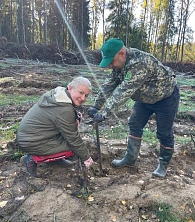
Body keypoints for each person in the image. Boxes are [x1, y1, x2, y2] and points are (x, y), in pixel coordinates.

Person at [87, 38, 180, 178]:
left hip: (166, 98)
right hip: (144, 98)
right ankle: (130, 158)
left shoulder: (139, 63)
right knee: (135, 124)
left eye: (111, 62)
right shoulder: (120, 65)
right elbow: (110, 84)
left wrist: (105, 113)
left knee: (164, 133)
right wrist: (96, 106)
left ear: (122, 54)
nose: (110, 66)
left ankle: (163, 165)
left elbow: (123, 92)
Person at [17, 76, 94, 177]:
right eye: (80, 92)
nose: (83, 98)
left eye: (86, 95)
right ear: (70, 88)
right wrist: (86, 158)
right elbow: (73, 140)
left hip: (32, 136)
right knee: (72, 149)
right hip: (31, 141)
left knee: (71, 137)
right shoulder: (64, 109)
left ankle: (54, 159)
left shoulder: (59, 95)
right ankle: (32, 159)